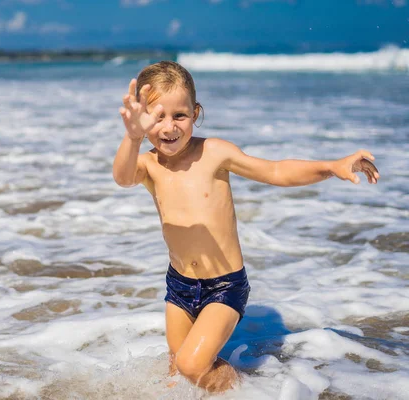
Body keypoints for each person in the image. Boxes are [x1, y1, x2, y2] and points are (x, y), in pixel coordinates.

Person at [112, 61, 380, 393]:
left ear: (195, 113)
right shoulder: (147, 163)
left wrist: (331, 166)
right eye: (157, 117)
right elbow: (122, 178)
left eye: (179, 115)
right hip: (179, 285)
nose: (169, 127)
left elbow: (277, 171)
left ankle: (249, 392)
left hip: (224, 287)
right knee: (176, 372)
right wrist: (133, 139)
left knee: (191, 365)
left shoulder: (214, 152)